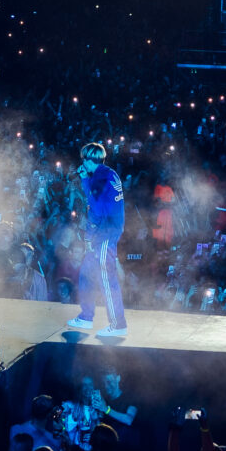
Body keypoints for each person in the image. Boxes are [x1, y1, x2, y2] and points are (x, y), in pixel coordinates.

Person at [68, 143, 130, 338]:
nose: (82, 162)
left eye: (84, 159)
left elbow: (95, 210)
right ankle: (86, 317)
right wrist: (86, 179)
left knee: (107, 279)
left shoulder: (100, 177)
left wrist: (88, 236)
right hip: (107, 231)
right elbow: (98, 202)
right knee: (86, 274)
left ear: (89, 159)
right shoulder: (108, 173)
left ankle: (118, 324)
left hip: (105, 234)